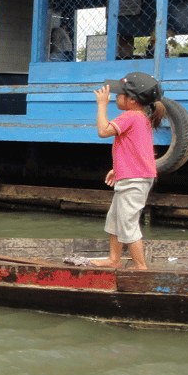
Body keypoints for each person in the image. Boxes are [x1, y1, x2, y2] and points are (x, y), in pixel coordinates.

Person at [72, 72, 167, 270]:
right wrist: (118, 169)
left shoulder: (131, 116)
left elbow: (103, 131)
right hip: (134, 176)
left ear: (132, 100)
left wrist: (101, 105)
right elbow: (137, 151)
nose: (115, 96)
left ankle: (140, 267)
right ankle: (114, 260)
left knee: (127, 223)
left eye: (119, 94)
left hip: (134, 180)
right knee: (115, 219)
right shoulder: (141, 118)